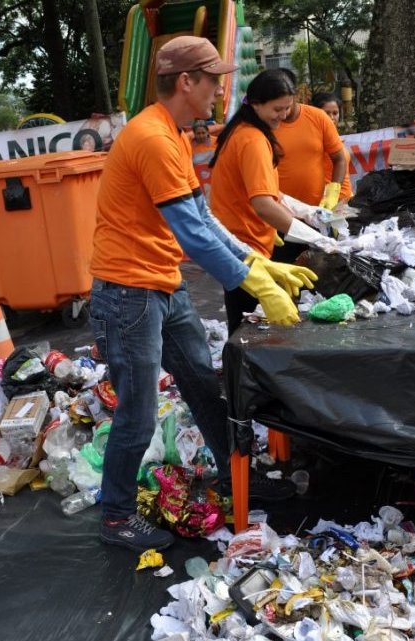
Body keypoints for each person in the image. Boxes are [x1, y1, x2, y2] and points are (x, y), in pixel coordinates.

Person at [90, 36, 312, 552]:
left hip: (163, 285)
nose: (221, 89)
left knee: (208, 388)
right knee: (138, 413)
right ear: (185, 82)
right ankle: (117, 515)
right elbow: (191, 231)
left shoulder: (172, 133)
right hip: (128, 294)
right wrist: (250, 280)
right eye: (213, 79)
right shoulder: (151, 138)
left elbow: (203, 216)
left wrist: (256, 262)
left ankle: (241, 480)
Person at [208, 68, 328, 333]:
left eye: (287, 108)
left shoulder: (244, 131)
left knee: (243, 320)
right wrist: (315, 239)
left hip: (244, 243)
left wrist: (309, 212)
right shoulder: (252, 139)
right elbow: (263, 203)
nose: (283, 116)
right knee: (247, 328)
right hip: (244, 246)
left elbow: (272, 192)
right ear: (256, 104)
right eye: (277, 109)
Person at [270, 74, 348, 263]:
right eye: (276, 106)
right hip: (281, 215)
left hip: (316, 214)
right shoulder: (269, 123)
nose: (281, 112)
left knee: (318, 272)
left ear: (294, 94)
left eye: (285, 104)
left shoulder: (318, 117)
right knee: (285, 269)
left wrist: (332, 194)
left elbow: (339, 158)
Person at [310, 91, 353, 204]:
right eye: (326, 113)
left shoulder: (335, 137)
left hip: (346, 201)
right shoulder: (314, 140)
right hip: (326, 204)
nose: (331, 117)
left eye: (335, 113)